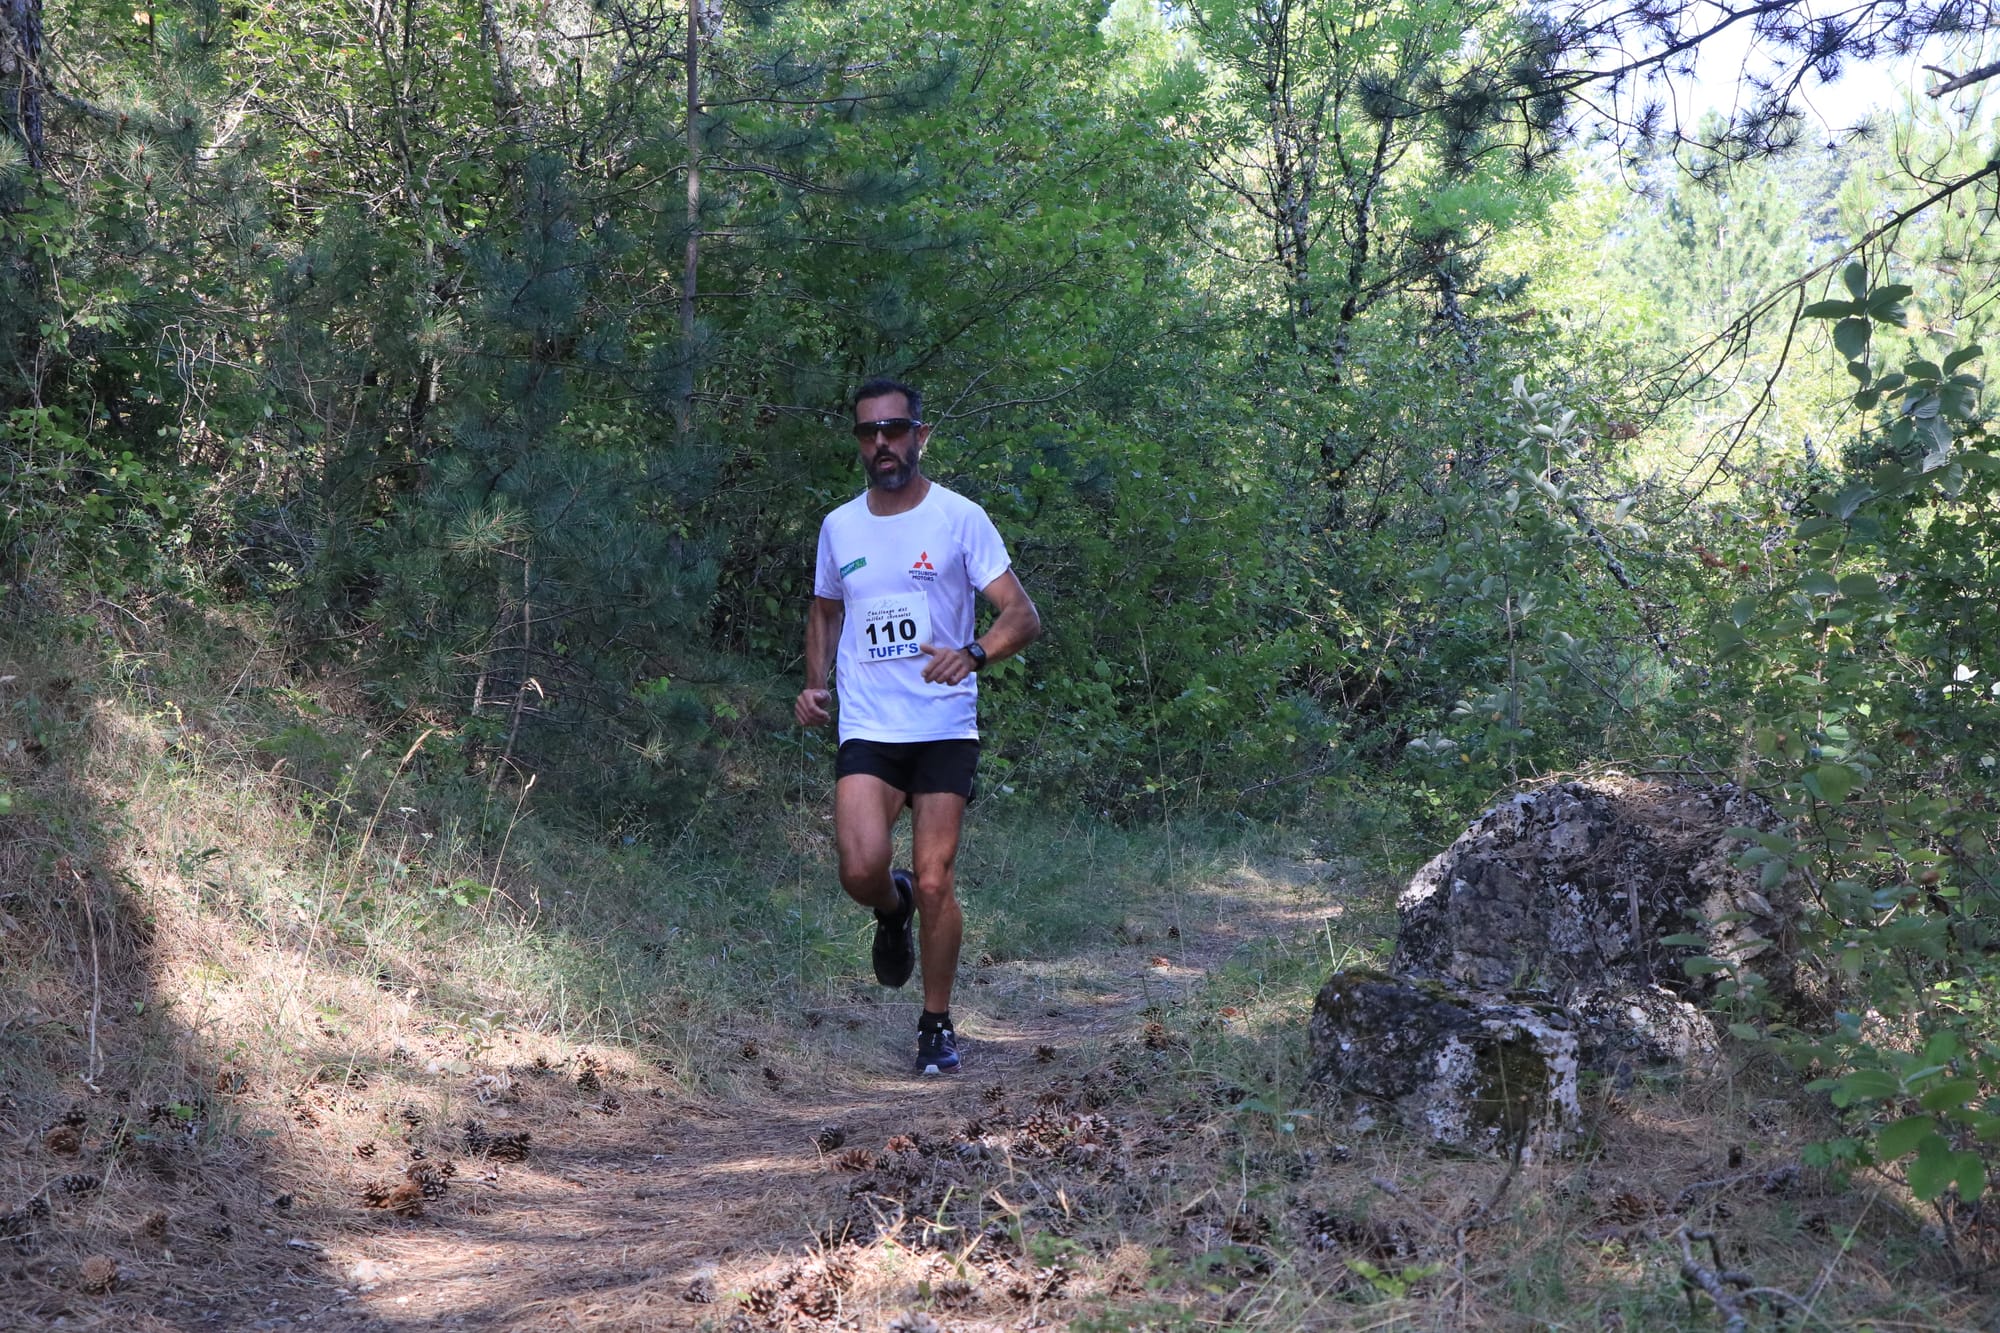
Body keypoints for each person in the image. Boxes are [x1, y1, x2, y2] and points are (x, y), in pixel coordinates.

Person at [794, 377, 1042, 1075]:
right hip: (870, 724)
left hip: (941, 726)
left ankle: (935, 1023)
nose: (881, 443)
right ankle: (890, 905)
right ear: (859, 443)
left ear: (919, 435)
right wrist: (815, 685)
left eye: (894, 429)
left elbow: (1021, 615)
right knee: (860, 868)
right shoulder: (841, 525)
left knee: (938, 879)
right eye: (868, 432)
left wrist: (972, 654)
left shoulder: (961, 518)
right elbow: (824, 609)